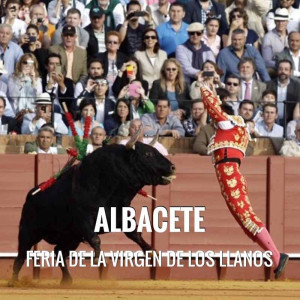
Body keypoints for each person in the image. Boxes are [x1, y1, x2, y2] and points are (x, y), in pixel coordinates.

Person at [198, 83, 289, 279]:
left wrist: (205, 86)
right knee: (244, 221)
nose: (214, 124)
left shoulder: (228, 124)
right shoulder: (239, 131)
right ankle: (274, 255)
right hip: (231, 175)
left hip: (230, 175)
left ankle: (276, 255)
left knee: (247, 218)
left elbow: (212, 106)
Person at [267, 59, 300, 125]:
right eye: (280, 69)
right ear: (277, 70)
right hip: (271, 121)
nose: (283, 71)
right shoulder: (268, 85)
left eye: (286, 69)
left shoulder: (297, 86)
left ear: (290, 72)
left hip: (290, 122)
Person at [43, 53, 75, 117]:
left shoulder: (68, 82)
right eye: (52, 64)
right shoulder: (41, 81)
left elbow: (70, 103)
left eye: (57, 64)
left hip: (63, 114)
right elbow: (42, 100)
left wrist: (61, 84)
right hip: (45, 114)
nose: (55, 67)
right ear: (46, 66)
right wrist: (49, 86)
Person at [97, 31, 127, 97]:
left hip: (119, 90)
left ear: (119, 45)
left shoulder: (125, 58)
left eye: (115, 42)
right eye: (109, 42)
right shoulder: (99, 57)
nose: (112, 44)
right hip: (102, 90)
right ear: (106, 44)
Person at [262, 8, 289, 72]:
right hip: (276, 70)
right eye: (278, 21)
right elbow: (266, 61)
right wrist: (282, 65)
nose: (280, 23)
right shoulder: (268, 37)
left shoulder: (291, 36)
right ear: (274, 22)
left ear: (287, 22)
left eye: (283, 21)